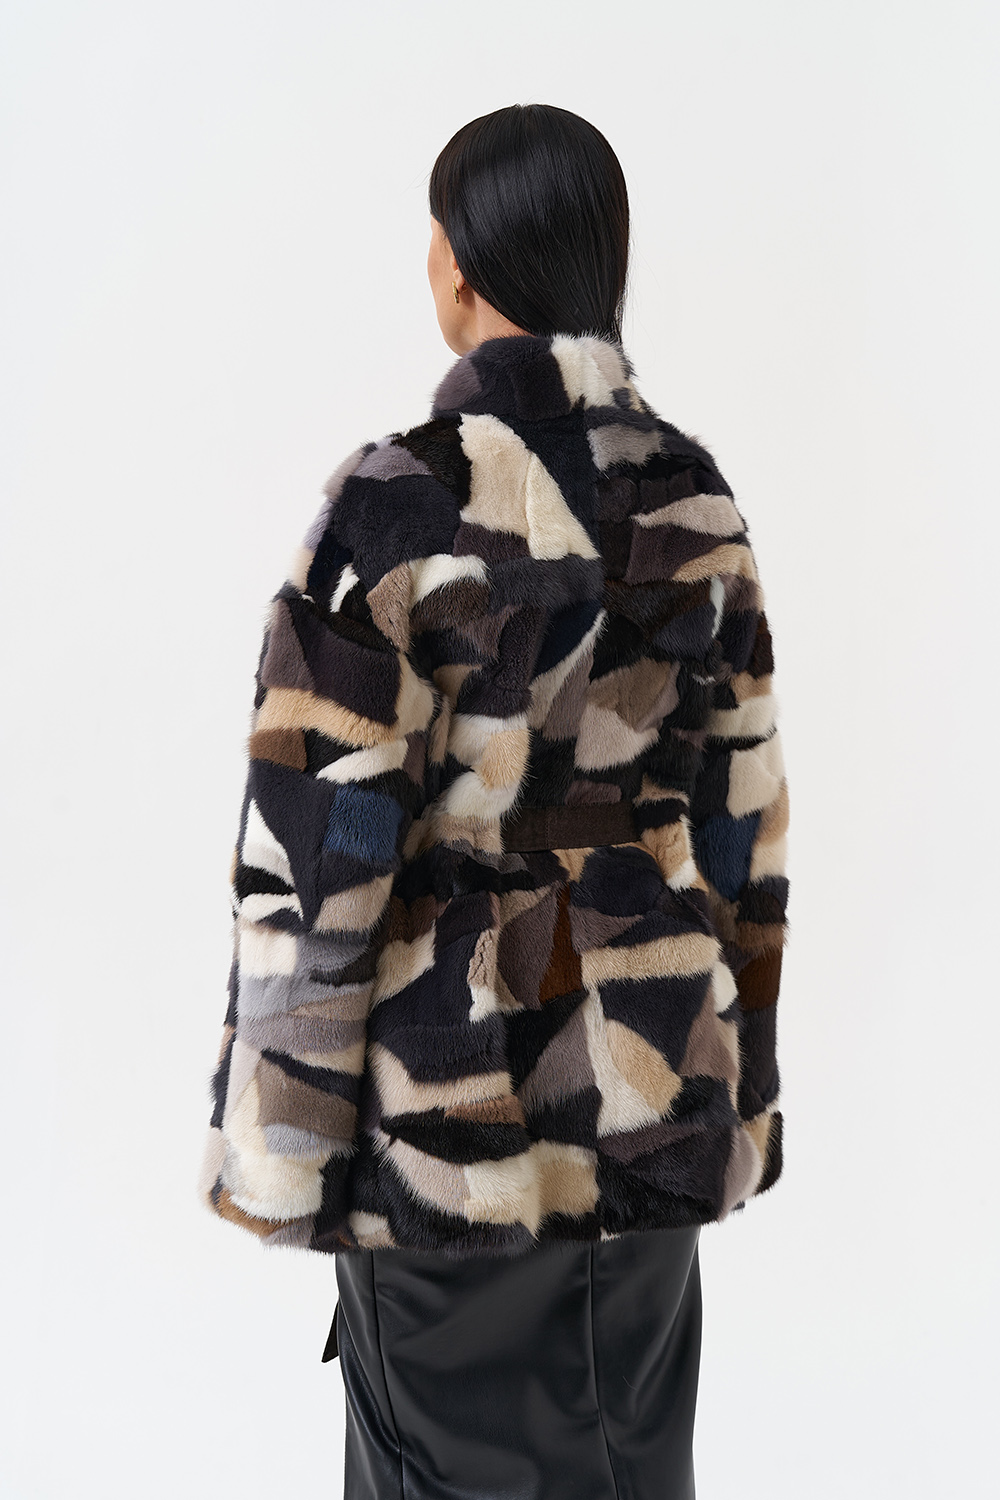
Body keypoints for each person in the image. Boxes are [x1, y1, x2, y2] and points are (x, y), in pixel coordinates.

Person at [198, 102, 791, 1500]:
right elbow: (742, 828)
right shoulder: (696, 503)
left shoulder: (399, 501)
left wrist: (286, 1148)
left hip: (452, 1125)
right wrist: (742, 1090)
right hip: (653, 1101)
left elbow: (325, 848)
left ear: (458, 265)